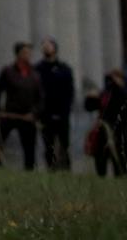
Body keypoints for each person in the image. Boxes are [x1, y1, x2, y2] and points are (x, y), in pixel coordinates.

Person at [0, 41, 42, 169]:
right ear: (18, 54)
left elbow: (40, 98)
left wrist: (34, 113)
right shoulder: (7, 71)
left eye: (29, 53)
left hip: (28, 116)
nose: (28, 55)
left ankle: (29, 170)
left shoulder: (35, 75)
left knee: (29, 147)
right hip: (9, 114)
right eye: (25, 52)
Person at [34, 37, 76, 171]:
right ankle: (51, 168)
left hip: (62, 112)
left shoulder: (64, 69)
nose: (46, 48)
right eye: (44, 45)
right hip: (45, 113)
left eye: (49, 45)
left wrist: (66, 110)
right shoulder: (38, 69)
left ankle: (66, 167)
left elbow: (69, 92)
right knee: (48, 144)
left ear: (55, 49)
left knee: (64, 143)